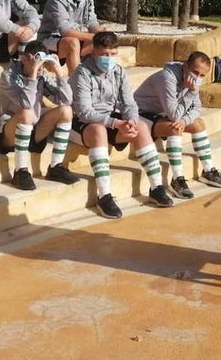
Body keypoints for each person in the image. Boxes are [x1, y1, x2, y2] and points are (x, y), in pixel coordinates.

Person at [70, 31, 174, 219]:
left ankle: (156, 187)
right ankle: (105, 195)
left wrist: (131, 120)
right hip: (81, 122)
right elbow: (84, 112)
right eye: (104, 54)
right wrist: (116, 123)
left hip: (110, 118)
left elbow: (129, 103)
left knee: (141, 127)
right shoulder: (81, 73)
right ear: (94, 53)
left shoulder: (119, 72)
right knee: (99, 130)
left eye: (112, 54)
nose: (109, 59)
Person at [133, 51, 221, 199]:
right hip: (141, 114)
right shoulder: (167, 78)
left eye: (202, 76)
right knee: (174, 128)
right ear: (185, 67)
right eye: (195, 72)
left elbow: (197, 108)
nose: (197, 78)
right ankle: (177, 179)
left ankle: (208, 170)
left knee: (198, 124)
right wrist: (191, 93)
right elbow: (174, 115)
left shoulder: (191, 81)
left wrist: (185, 120)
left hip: (162, 114)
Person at [0, 46, 81, 190]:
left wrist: (58, 71)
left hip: (32, 129)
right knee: (26, 113)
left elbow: (66, 100)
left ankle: (56, 167)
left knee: (66, 111)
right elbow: (26, 103)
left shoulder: (42, 76)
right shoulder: (8, 76)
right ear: (25, 58)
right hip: (7, 133)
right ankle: (20, 171)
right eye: (38, 60)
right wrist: (33, 74)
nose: (41, 67)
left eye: (43, 62)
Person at [37, 0, 99, 72]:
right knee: (73, 42)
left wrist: (100, 34)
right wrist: (92, 37)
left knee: (104, 41)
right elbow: (65, 30)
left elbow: (91, 21)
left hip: (72, 37)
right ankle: (76, 84)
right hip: (49, 38)